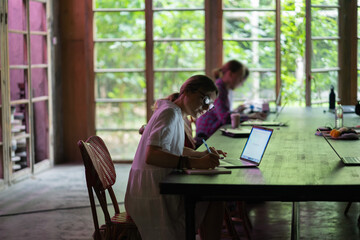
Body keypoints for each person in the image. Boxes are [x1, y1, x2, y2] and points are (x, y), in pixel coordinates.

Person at [125, 75, 227, 240]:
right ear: (187, 91)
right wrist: (195, 162)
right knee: (214, 199)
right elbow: (152, 155)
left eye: (211, 105)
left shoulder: (174, 112)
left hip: (154, 188)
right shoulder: (170, 114)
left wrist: (200, 154)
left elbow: (173, 147)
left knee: (212, 198)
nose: (207, 108)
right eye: (206, 100)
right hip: (151, 196)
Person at [195, 60, 266, 147]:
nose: (241, 83)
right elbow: (225, 118)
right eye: (240, 78)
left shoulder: (223, 89)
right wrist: (249, 117)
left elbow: (223, 114)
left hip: (212, 133)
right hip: (206, 137)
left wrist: (238, 112)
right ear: (230, 74)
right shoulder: (218, 89)